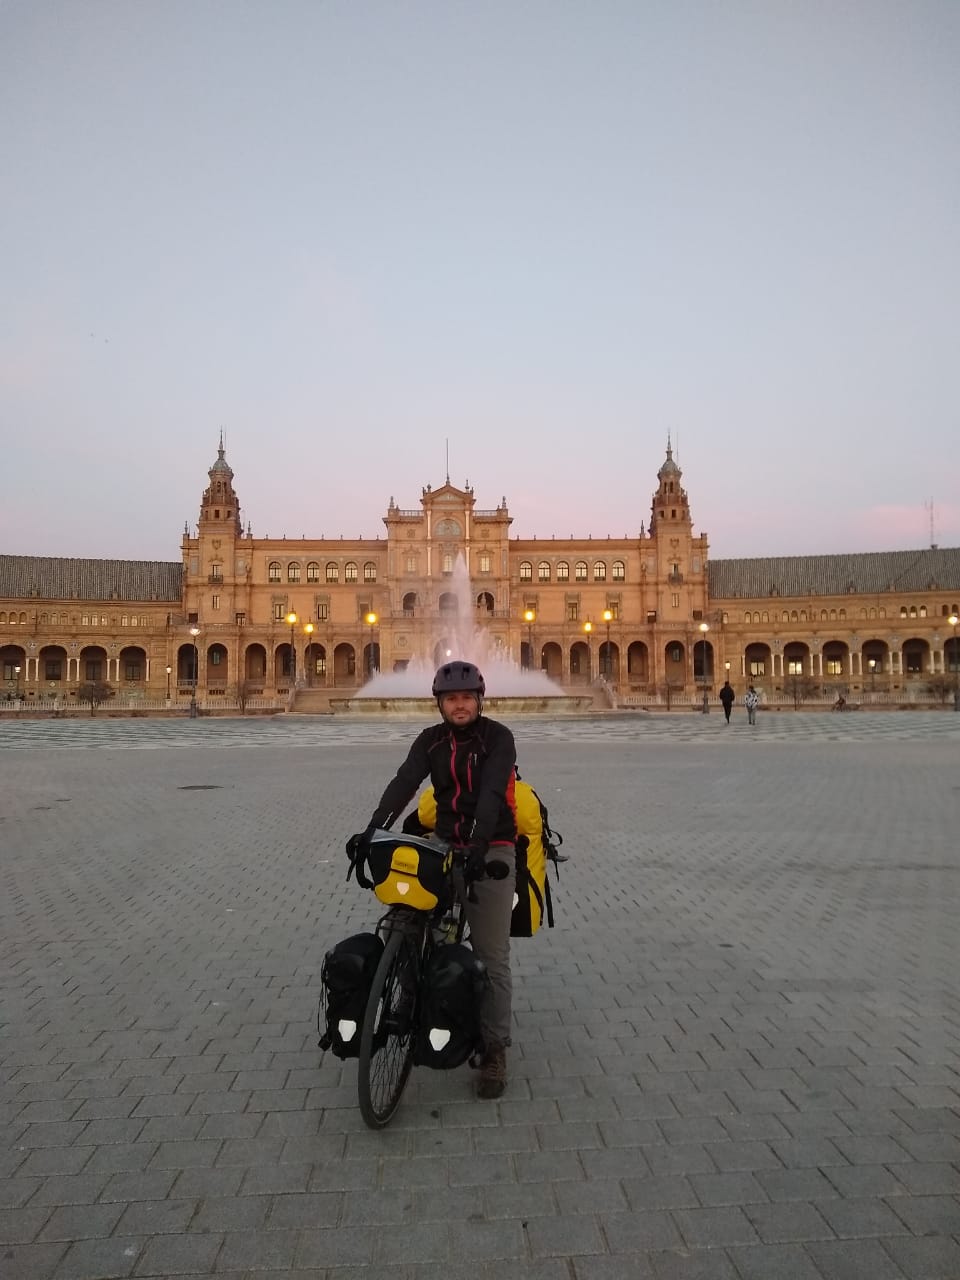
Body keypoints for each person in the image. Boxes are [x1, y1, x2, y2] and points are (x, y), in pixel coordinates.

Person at [348, 660, 517, 1099]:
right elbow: (405, 781)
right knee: (411, 920)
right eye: (451, 699)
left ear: (479, 700)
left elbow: (493, 793)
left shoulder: (498, 738)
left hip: (492, 844)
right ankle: (412, 995)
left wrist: (479, 846)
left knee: (491, 954)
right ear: (440, 703)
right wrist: (373, 830)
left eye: (466, 698)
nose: (459, 706)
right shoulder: (432, 739)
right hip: (443, 839)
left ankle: (495, 1047)